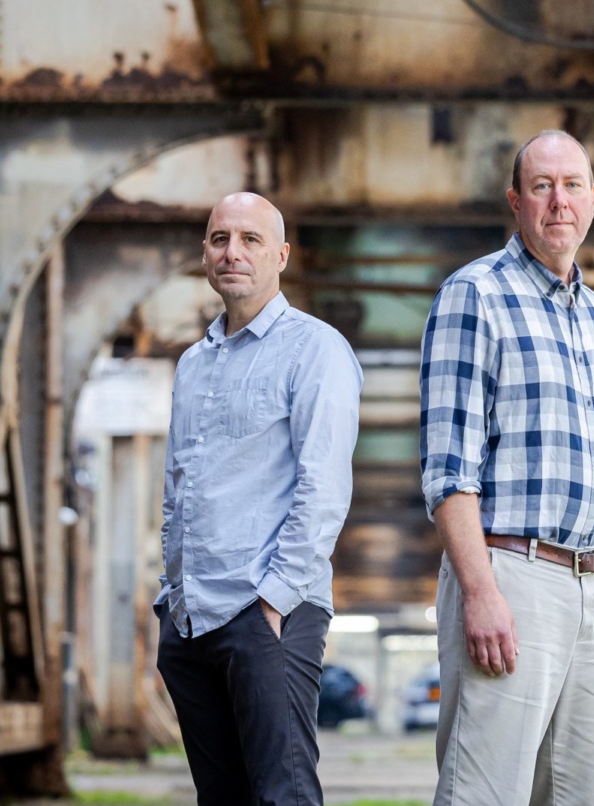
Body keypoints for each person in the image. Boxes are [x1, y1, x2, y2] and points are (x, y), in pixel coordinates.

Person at [419, 131, 594, 805]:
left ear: (593, 199)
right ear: (516, 201)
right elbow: (449, 469)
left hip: (592, 588)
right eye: (542, 186)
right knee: (484, 793)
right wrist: (481, 592)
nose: (559, 201)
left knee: (576, 796)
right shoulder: (474, 295)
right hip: (513, 577)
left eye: (572, 185)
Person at [155, 191, 363, 806]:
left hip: (267, 611)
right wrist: (171, 595)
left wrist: (274, 602)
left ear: (281, 256)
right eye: (220, 239)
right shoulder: (193, 363)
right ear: (205, 253)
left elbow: (324, 487)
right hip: (191, 618)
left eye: (250, 239)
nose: (233, 252)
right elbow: (178, 486)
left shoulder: (315, 349)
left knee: (283, 795)